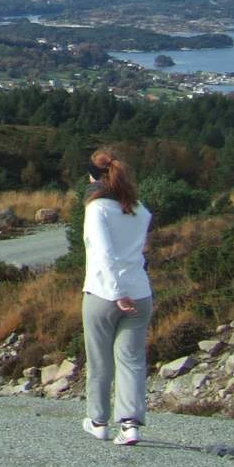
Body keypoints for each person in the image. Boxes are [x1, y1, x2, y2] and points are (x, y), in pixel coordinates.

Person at [79, 148, 153, 446]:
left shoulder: (96, 210)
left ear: (93, 178)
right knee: (132, 360)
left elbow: (103, 253)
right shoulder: (141, 211)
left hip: (102, 293)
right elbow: (138, 253)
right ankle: (130, 426)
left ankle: (98, 422)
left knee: (99, 361)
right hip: (141, 292)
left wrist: (118, 292)